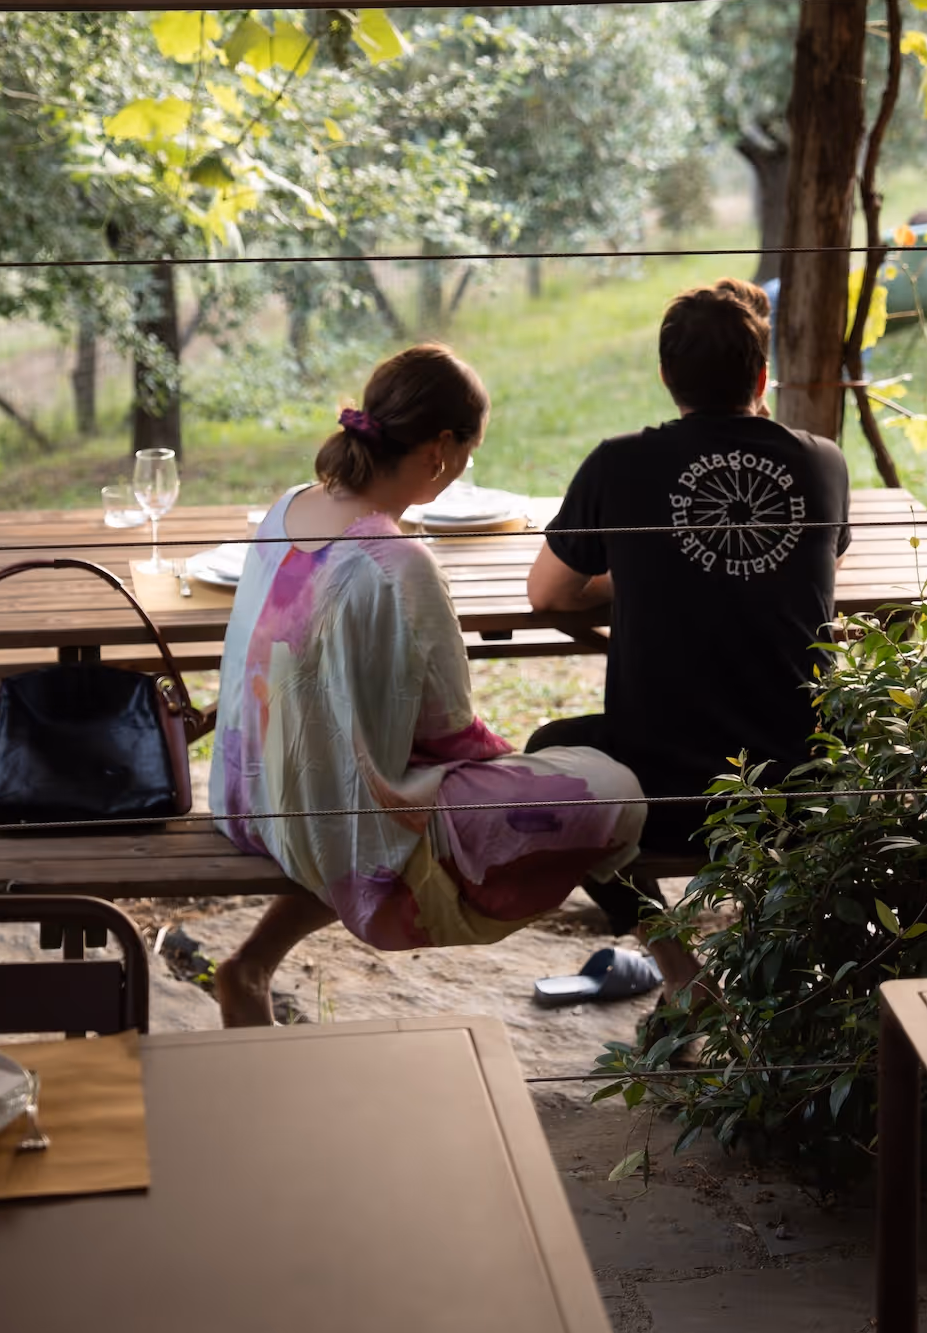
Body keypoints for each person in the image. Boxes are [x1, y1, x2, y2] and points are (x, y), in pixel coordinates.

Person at [209, 343, 646, 1027]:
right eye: (470, 451)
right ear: (441, 449)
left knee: (384, 772)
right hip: (333, 814)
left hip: (249, 792)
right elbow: (450, 732)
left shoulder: (287, 506)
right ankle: (682, 970)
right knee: (612, 789)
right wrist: (512, 770)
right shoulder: (398, 562)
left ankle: (252, 963)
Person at [523, 279, 850, 988]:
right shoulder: (821, 460)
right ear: (761, 379)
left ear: (665, 377)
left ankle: (680, 972)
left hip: (663, 792)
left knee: (547, 759)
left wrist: (642, 568)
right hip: (797, 784)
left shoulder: (617, 463)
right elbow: (812, 565)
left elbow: (548, 593)